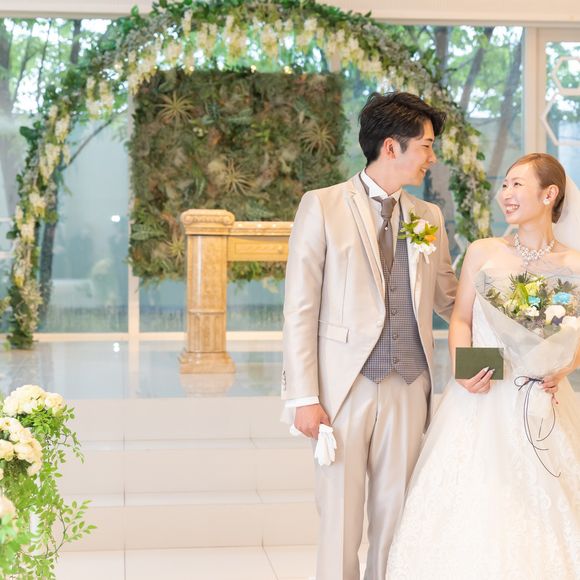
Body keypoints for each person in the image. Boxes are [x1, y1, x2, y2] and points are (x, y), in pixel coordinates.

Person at [281, 91, 457, 580]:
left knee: (397, 516)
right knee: (339, 518)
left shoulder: (427, 217)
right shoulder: (322, 206)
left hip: (409, 383)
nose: (431, 157)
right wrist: (303, 396)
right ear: (391, 146)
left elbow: (450, 299)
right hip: (343, 388)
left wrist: (511, 319)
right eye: (425, 145)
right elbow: (300, 309)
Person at [387, 153, 580, 579]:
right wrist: (462, 365)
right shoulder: (483, 251)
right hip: (481, 395)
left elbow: (575, 339)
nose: (505, 194)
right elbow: (460, 319)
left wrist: (563, 368)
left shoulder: (574, 263)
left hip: (542, 401)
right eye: (505, 185)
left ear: (549, 194)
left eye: (517, 185)